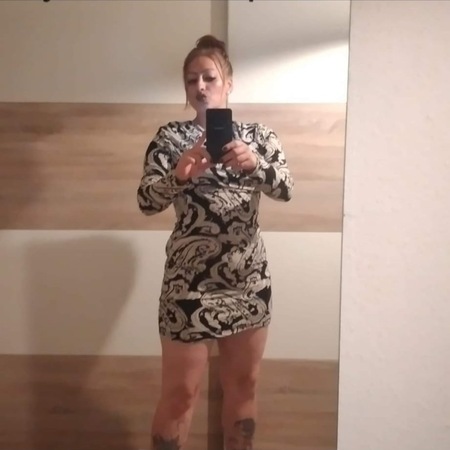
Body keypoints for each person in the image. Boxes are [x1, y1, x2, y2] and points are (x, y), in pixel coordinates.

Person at [137, 34, 293, 450]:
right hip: (187, 285)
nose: (200, 87)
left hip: (247, 281)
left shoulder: (259, 137)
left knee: (243, 389)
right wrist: (178, 176)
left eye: (209, 77)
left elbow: (286, 189)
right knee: (179, 395)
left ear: (229, 83)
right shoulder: (170, 139)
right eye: (192, 80)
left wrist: (256, 164)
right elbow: (146, 201)